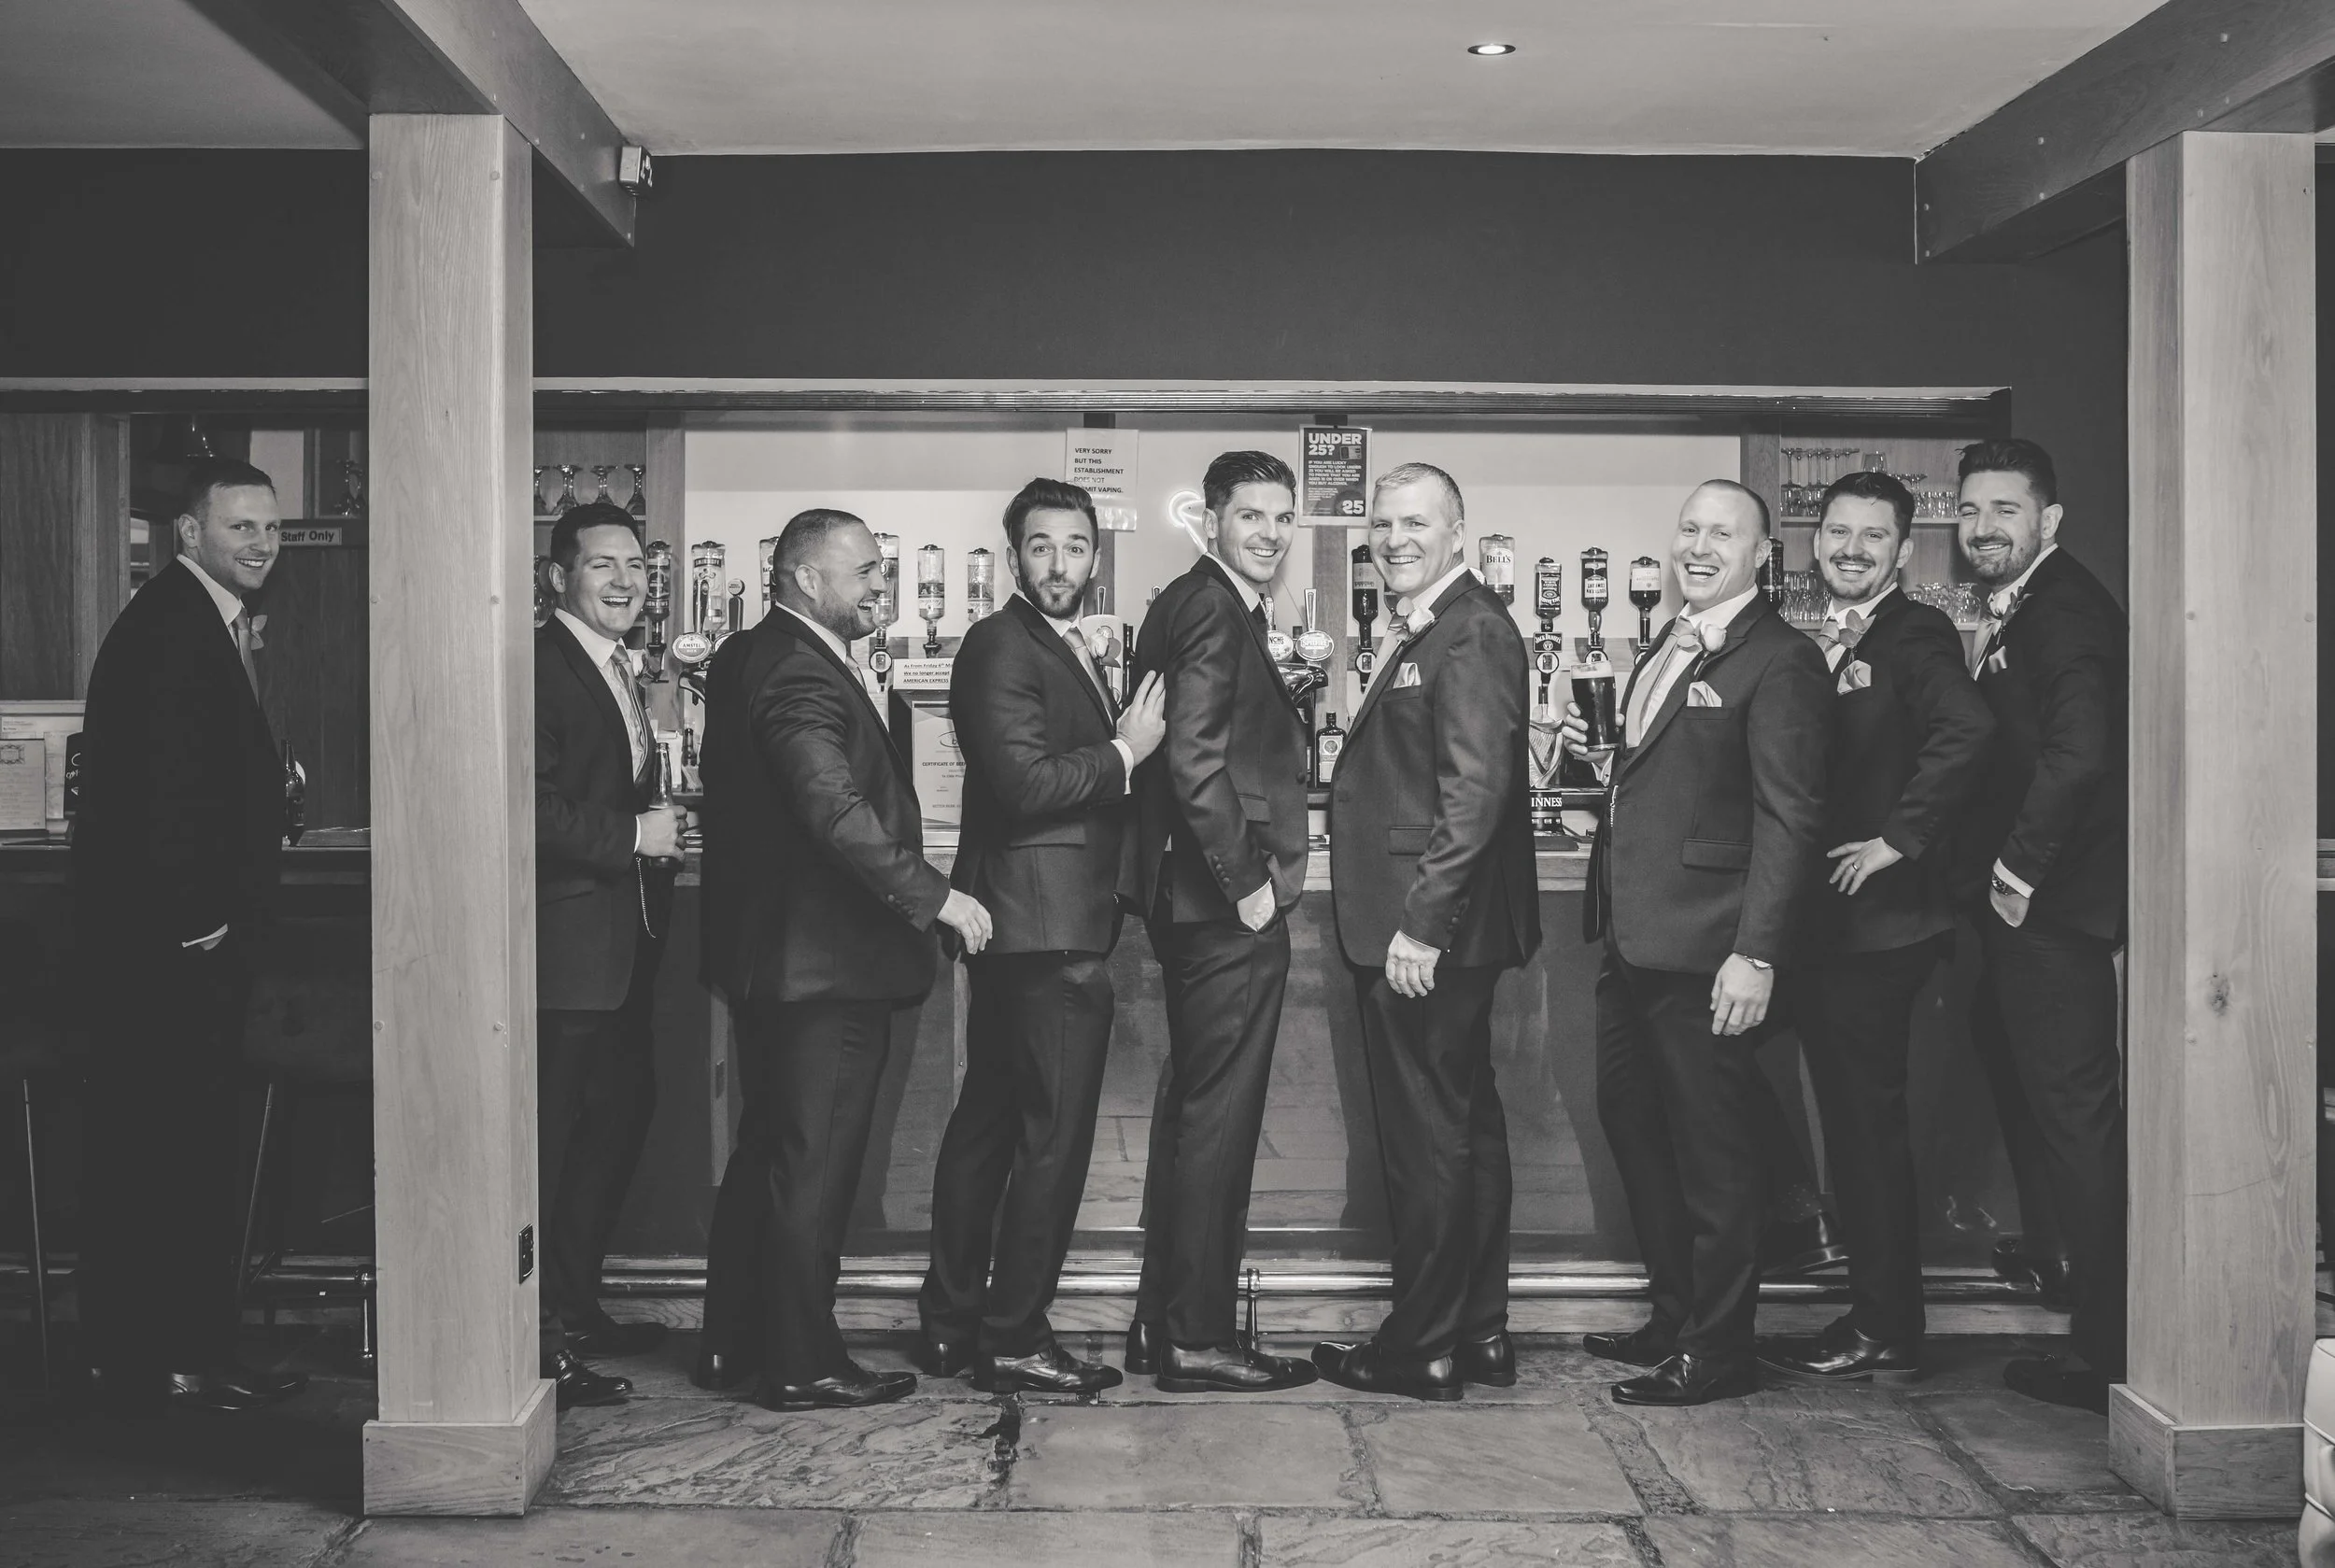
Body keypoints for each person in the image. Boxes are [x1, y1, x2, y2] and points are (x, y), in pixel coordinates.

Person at [695, 507, 993, 1410]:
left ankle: (734, 1340)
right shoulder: (797, 668)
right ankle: (801, 1360)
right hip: (825, 965)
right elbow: (831, 809)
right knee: (812, 1166)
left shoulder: (750, 653)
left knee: (769, 1152)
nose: (880, 586)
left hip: (777, 962)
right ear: (806, 578)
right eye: (864, 571)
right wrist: (937, 896)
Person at [1563, 479, 1829, 1406]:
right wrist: (1601, 769)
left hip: (1711, 949)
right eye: (1689, 529)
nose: (1699, 546)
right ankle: (1674, 1316)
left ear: (1760, 553)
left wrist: (1756, 953)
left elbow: (1790, 818)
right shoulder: (1668, 642)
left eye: (1723, 533)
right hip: (1632, 942)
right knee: (1637, 1128)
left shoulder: (1781, 659)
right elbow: (1658, 780)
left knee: (1715, 1159)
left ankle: (1719, 1349)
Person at [913, 479, 1167, 1395]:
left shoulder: (1057, 641)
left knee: (987, 1126)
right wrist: (1128, 752)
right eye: (1041, 545)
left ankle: (951, 1324)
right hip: (1045, 927)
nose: (1059, 563)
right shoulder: (997, 642)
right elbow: (1023, 784)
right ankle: (1015, 1334)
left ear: (1095, 555)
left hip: (1029, 921)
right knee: (1050, 1141)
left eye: (1075, 546)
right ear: (1013, 554)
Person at [72, 459, 306, 1413]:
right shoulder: (175, 627)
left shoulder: (194, 617)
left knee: (163, 1151)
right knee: (173, 1155)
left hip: (170, 945)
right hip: (172, 951)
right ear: (189, 532)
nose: (261, 543)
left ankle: (158, 1355)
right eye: (241, 526)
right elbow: (159, 791)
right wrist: (199, 921)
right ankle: (176, 1360)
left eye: (271, 527)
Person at [1309, 464, 1540, 1402]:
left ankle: (1421, 1345)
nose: (1395, 538)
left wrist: (1422, 925)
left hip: (1428, 932)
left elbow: (1474, 790)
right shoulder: (1438, 623)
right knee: (1464, 1127)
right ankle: (1478, 1329)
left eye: (1416, 522)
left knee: (1428, 1140)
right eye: (1383, 522)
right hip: (1437, 926)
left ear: (1457, 533)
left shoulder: (1471, 628)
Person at [1758, 472, 1994, 1388]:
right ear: (1814, 542)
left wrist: (1899, 838)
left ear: (1903, 551)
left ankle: (1884, 1325)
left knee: (1865, 1131)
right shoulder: (1821, 638)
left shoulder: (1914, 632)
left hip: (1878, 933)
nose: (1852, 549)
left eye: (1873, 536)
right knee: (1759, 1080)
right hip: (1825, 930)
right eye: (1838, 532)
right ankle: (1831, 1260)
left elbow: (1967, 730)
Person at [1125, 451, 1317, 1392]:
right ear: (1211, 521)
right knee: (1219, 1121)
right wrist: (1248, 883)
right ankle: (1197, 1338)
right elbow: (1194, 757)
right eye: (1251, 516)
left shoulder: (1205, 601)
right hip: (1219, 903)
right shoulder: (1209, 604)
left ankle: (1159, 1324)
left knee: (1196, 1110)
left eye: (1283, 517)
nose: (1270, 533)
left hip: (1192, 899)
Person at [1951, 437, 2128, 1413]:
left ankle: (2108, 1354)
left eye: (2005, 510)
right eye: (1971, 509)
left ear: (2048, 520)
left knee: (2075, 1125)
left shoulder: (2064, 611)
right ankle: (2080, 1305)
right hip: (2034, 913)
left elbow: (2080, 754)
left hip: (2053, 913)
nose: (1983, 527)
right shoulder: (2024, 604)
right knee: (2053, 1114)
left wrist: (2015, 873)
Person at [533, 502, 689, 1410]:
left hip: (622, 948)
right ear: (559, 577)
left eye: (635, 564)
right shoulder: (542, 667)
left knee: (616, 1120)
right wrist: (636, 835)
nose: (626, 580)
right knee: (554, 1145)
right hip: (566, 952)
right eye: (603, 565)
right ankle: (539, 1341)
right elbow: (527, 805)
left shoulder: (615, 665)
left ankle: (575, 1305)